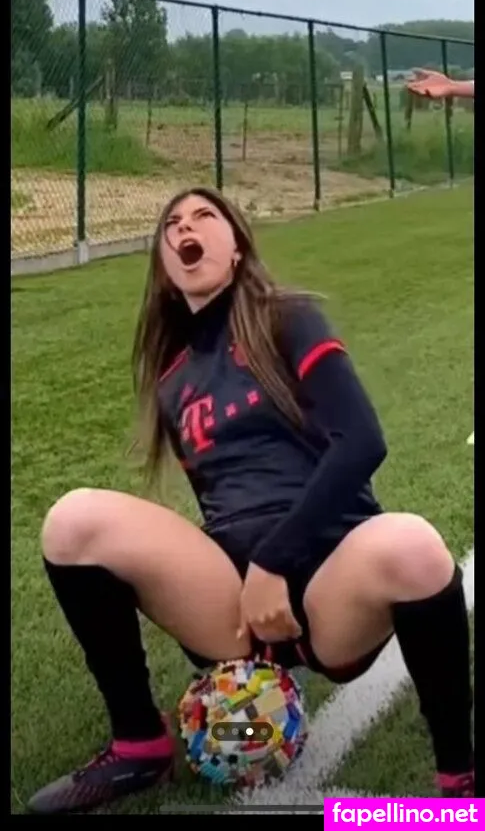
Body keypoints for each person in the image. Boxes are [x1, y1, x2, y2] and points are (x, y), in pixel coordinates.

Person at [27, 187, 474, 813]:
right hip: (234, 600)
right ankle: (139, 743)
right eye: (172, 224)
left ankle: (459, 785)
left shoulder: (286, 316)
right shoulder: (172, 377)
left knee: (415, 546)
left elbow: (361, 442)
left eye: (204, 216)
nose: (186, 228)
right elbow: (216, 501)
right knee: (72, 520)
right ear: (165, 262)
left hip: (331, 578)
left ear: (236, 247)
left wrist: (272, 562)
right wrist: (241, 578)